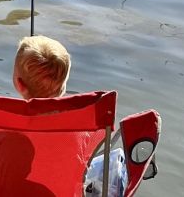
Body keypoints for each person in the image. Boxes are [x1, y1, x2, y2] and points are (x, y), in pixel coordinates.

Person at [13, 35, 128, 197]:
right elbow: (77, 169)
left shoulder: (2, 127)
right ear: (63, 88)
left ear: (19, 84)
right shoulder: (78, 132)